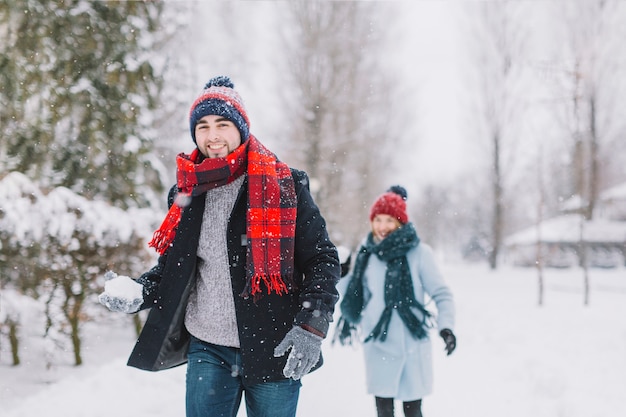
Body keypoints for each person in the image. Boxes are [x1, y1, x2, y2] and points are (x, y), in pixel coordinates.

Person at [98, 76, 341, 417]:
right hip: (208, 347)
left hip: (274, 345)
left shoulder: (285, 184)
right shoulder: (185, 192)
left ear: (241, 128)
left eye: (222, 124)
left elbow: (323, 260)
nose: (212, 136)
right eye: (203, 126)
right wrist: (139, 292)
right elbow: (174, 267)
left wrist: (311, 327)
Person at [335, 185, 456, 417]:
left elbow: (442, 294)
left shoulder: (420, 253)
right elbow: (353, 295)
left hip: (412, 345)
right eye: (378, 220)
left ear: (400, 222)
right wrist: (341, 273)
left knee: (413, 410)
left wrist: (447, 327)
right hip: (378, 343)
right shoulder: (366, 253)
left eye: (390, 220)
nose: (382, 227)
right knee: (383, 410)